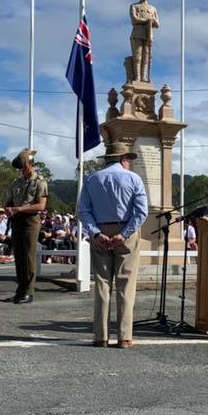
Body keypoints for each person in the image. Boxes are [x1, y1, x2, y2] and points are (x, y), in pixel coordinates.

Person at [77, 141, 148, 348]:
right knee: (126, 285)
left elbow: (83, 211)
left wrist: (96, 232)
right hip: (125, 230)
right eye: (128, 160)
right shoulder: (134, 179)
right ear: (123, 159)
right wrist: (124, 234)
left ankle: (101, 336)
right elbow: (141, 211)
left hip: (100, 230)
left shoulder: (91, 179)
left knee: (102, 284)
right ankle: (124, 336)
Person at [5, 149, 48, 304]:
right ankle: (20, 290)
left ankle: (29, 292)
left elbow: (41, 205)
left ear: (31, 164)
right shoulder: (16, 183)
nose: (22, 170)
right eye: (20, 167)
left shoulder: (40, 182)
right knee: (19, 258)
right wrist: (9, 209)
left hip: (30, 221)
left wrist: (21, 209)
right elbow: (9, 202)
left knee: (29, 258)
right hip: (16, 220)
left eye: (25, 166)